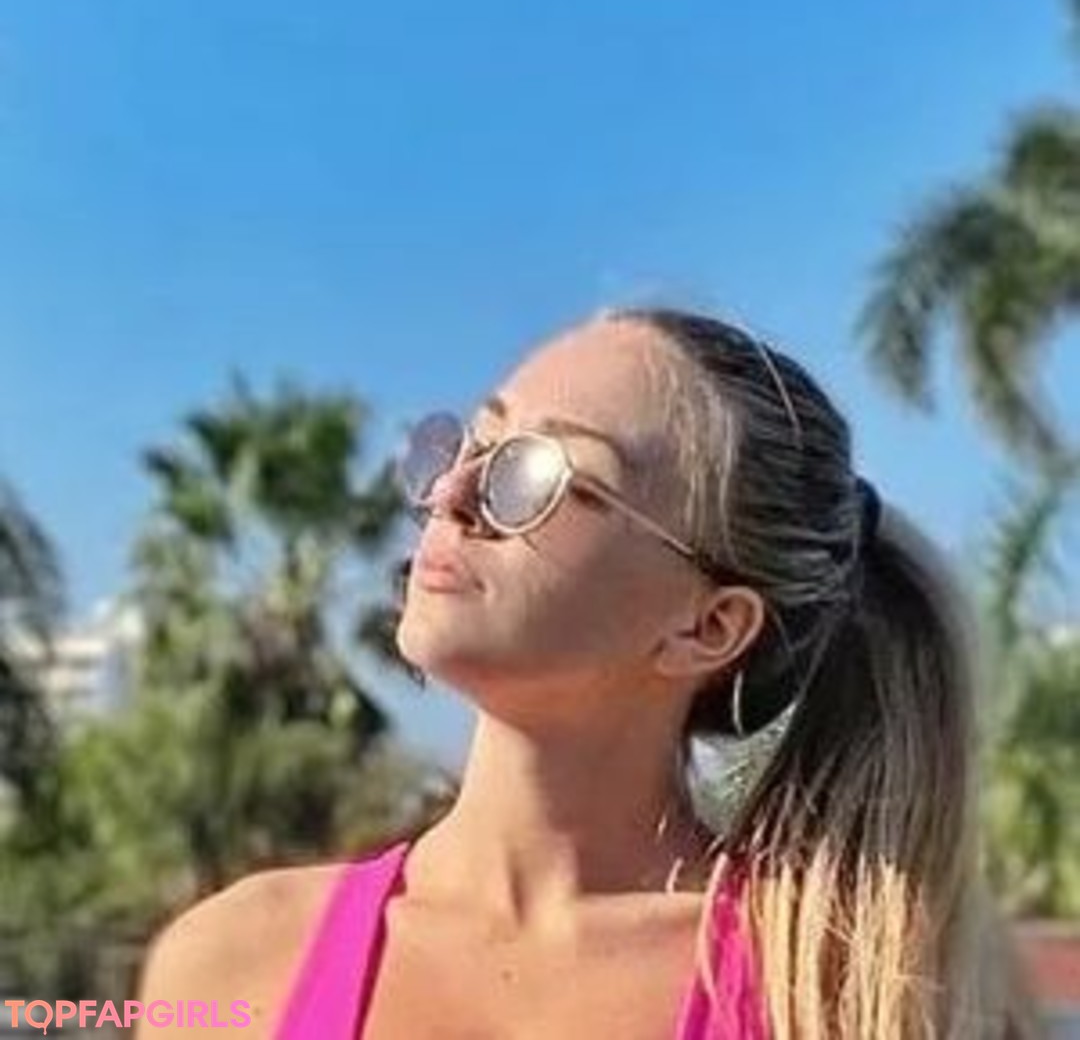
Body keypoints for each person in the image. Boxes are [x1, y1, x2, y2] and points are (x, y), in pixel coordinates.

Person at [135, 307, 1016, 1038]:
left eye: (539, 473)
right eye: (473, 443)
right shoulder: (231, 965)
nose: (451, 496)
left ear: (707, 626)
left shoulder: (845, 998)